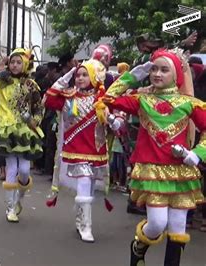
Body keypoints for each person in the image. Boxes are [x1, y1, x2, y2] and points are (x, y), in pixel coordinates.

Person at [99, 49, 205, 266]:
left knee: (177, 227)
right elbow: (108, 98)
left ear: (176, 74)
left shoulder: (190, 103)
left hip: (181, 172)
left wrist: (197, 153)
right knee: (157, 223)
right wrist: (136, 73)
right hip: (151, 171)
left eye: (164, 70)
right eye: (154, 69)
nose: (157, 74)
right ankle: (138, 246)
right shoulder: (141, 100)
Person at [44, 59, 118, 242]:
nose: (80, 78)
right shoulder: (69, 97)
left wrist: (113, 121)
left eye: (85, 74)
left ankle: (80, 219)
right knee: (84, 183)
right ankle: (86, 226)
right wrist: (68, 74)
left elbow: (118, 119)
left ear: (94, 77)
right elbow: (49, 97)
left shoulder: (102, 99)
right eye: (78, 75)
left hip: (96, 150)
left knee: (90, 186)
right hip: (76, 150)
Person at [0, 48, 44, 223]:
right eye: (12, 62)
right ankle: (10, 208)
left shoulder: (31, 85)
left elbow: (39, 108)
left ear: (25, 64)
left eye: (18, 62)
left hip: (24, 131)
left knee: (24, 170)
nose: (14, 65)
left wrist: (33, 121)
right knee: (12, 169)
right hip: (5, 130)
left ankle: (19, 200)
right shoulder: (2, 82)